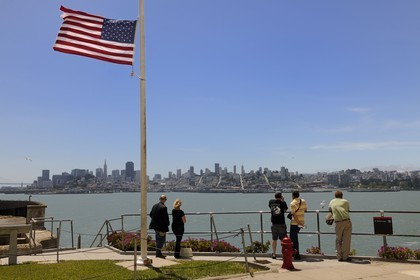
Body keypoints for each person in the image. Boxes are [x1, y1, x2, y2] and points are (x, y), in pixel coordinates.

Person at [329, 190, 352, 262]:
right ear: (342, 196)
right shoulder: (345, 201)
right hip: (346, 220)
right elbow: (347, 210)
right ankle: (345, 257)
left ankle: (339, 256)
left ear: (335, 196)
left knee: (338, 239)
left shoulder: (332, 202)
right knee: (346, 240)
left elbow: (330, 210)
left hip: (338, 222)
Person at [149, 194, 170, 258]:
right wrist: (168, 223)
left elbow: (150, 214)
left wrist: (156, 220)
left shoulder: (154, 206)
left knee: (157, 239)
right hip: (161, 227)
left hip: (155, 226)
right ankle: (158, 253)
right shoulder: (164, 207)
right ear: (165, 200)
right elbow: (166, 218)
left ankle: (158, 253)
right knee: (161, 240)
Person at [268, 191, 288, 259]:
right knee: (283, 240)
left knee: (274, 239)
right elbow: (285, 210)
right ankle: (284, 253)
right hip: (281, 224)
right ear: (281, 196)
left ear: (275, 196)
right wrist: (283, 200)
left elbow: (270, 207)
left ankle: (274, 254)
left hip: (274, 224)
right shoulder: (283, 203)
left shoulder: (271, 202)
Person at [289, 190, 307, 260]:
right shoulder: (303, 201)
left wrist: (298, 222)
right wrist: (301, 223)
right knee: (295, 238)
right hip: (302, 221)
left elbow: (293, 214)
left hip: (295, 223)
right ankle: (296, 254)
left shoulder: (292, 203)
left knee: (293, 239)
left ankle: (296, 254)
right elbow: (306, 210)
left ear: (293, 195)